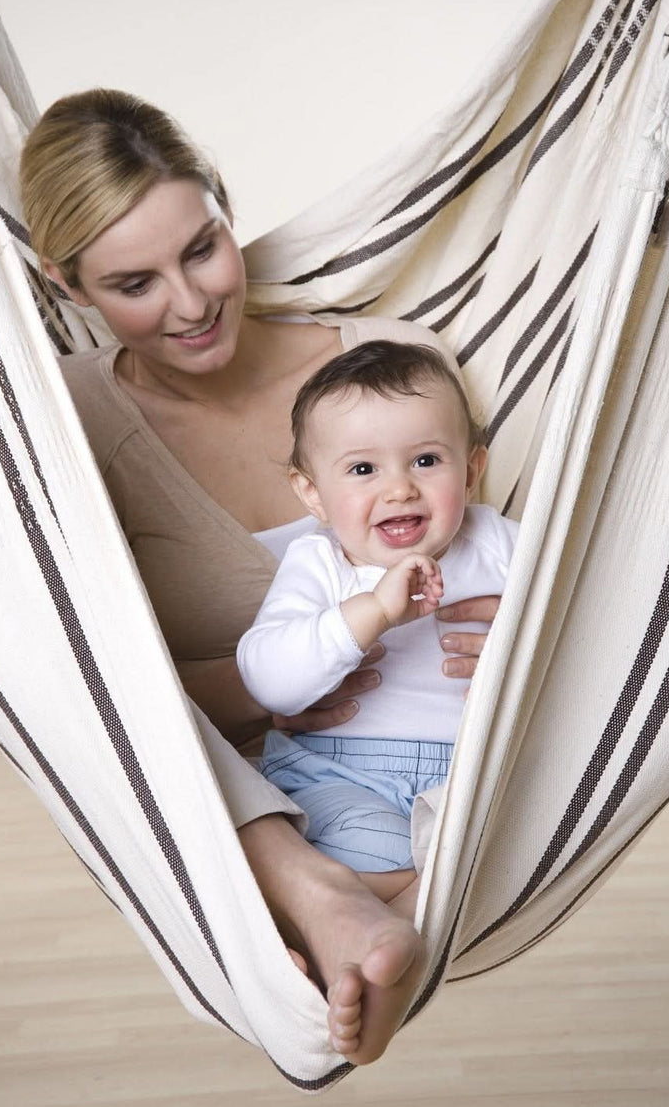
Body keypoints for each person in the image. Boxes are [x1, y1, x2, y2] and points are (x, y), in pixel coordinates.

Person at [18, 88, 502, 1065]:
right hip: (217, 780)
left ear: (226, 211)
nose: (191, 303)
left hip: (434, 755)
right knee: (136, 720)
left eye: (202, 248)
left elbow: (525, 558)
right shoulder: (54, 428)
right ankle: (322, 897)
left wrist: (518, 634)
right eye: (133, 282)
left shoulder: (392, 372)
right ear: (66, 287)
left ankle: (357, 910)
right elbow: (84, 681)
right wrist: (279, 678)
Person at [238, 341, 518, 920]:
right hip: (339, 772)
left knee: (498, 854)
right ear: (312, 493)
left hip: (467, 781)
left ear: (471, 472)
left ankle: (368, 941)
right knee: (373, 862)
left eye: (426, 461)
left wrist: (523, 636)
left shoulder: (500, 545)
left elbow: (588, 622)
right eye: (364, 469)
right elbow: (268, 679)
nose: (399, 489)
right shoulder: (322, 564)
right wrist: (372, 612)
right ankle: (391, 928)